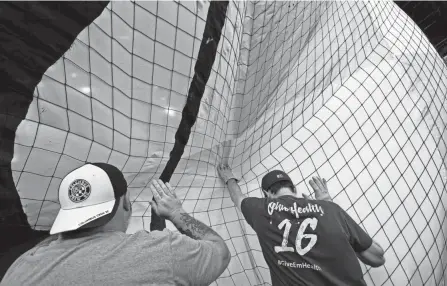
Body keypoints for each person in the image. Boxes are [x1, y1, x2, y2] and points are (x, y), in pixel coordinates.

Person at [1, 163, 230, 286]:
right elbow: (220, 251)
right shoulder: (163, 252)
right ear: (127, 204)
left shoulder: (22, 267)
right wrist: (177, 214)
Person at [217, 164, 386, 286]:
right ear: (294, 189)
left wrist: (229, 178)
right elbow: (377, 258)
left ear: (266, 194)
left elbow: (237, 197)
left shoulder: (261, 210)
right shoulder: (330, 209)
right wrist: (327, 206)